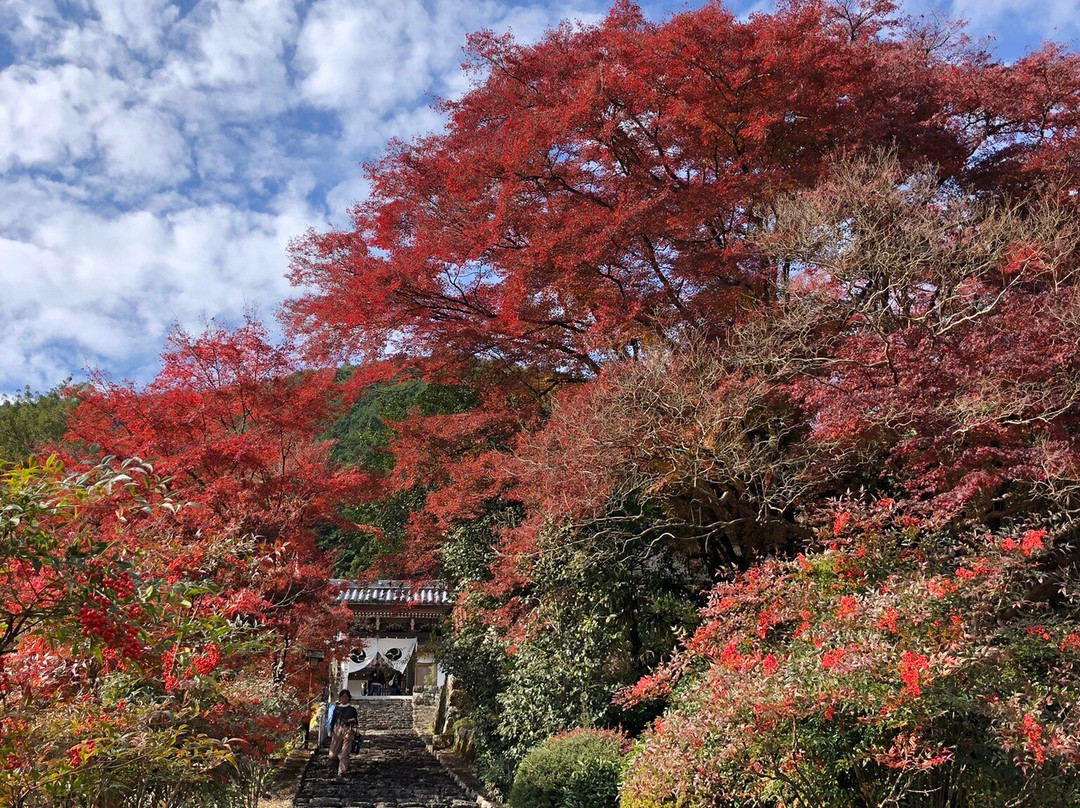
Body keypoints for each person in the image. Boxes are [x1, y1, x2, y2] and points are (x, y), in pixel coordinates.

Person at [327, 689, 359, 776]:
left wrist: (353, 723)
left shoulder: (352, 709)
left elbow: (356, 722)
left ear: (349, 698)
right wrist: (330, 730)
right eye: (342, 697)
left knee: (345, 752)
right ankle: (337, 765)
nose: (344, 698)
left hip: (348, 730)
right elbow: (333, 720)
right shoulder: (337, 709)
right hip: (337, 730)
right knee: (332, 754)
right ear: (340, 698)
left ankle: (342, 771)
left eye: (346, 697)